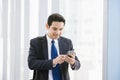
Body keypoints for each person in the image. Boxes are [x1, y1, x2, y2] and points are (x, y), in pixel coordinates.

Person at [28, 13, 81, 80]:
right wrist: (54, 61)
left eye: (61, 29)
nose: (58, 32)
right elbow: (32, 64)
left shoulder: (67, 43)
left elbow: (78, 64)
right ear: (47, 26)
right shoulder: (36, 42)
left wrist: (72, 62)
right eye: (55, 29)